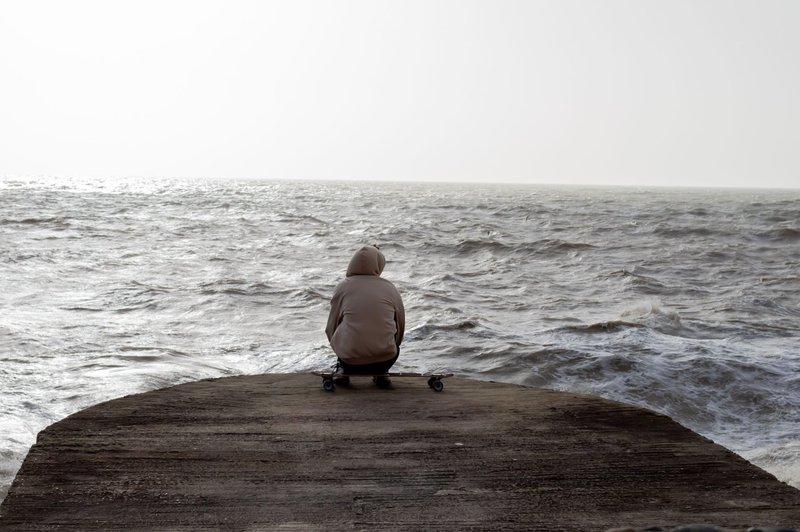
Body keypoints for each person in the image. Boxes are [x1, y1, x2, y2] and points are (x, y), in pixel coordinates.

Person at [325, 244, 405, 388]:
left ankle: (342, 370)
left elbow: (330, 327)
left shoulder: (343, 287)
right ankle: (382, 374)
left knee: (343, 328)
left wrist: (341, 348)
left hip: (349, 361)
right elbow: (400, 327)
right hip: (385, 359)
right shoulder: (390, 288)